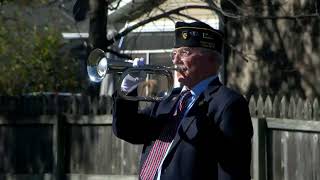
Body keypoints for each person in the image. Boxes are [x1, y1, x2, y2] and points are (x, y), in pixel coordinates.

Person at [112, 21, 253, 180]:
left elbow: (232, 172)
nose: (175, 60)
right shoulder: (167, 99)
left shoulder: (228, 104)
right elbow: (127, 129)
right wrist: (127, 90)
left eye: (185, 52)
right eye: (174, 54)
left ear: (210, 59)